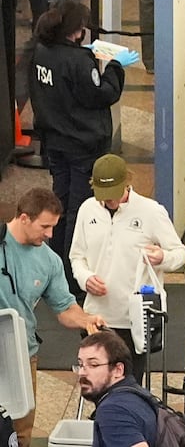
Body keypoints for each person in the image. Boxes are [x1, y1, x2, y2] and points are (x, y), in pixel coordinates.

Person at [2, 189, 106, 446]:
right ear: (24, 218)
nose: (49, 235)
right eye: (45, 226)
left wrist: (86, 320)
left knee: (21, 429)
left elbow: (64, 307)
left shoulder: (49, 261)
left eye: (53, 227)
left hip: (22, 354)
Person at [67, 155, 185, 379]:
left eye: (113, 194)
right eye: (103, 195)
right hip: (96, 318)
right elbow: (77, 256)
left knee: (128, 384)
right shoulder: (87, 209)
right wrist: (85, 278)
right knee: (96, 383)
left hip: (134, 320)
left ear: (126, 183)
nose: (108, 200)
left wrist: (162, 257)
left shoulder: (151, 211)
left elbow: (179, 254)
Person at [30, 0, 128, 265]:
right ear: (78, 29)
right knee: (79, 209)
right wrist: (116, 67)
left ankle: (56, 263)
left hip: (55, 141)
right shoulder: (77, 60)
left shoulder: (40, 51)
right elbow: (101, 94)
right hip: (82, 145)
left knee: (58, 203)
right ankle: (74, 271)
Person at [75, 330, 166, 447]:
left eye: (93, 365)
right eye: (81, 365)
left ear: (118, 370)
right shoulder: (137, 395)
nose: (82, 372)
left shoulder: (112, 410)